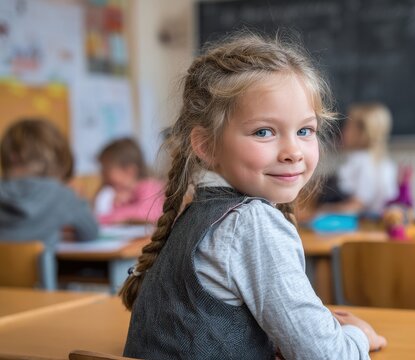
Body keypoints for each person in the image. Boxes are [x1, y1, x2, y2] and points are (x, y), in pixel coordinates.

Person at [120, 33, 386, 359]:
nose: (293, 152)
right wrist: (357, 335)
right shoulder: (250, 223)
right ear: (206, 145)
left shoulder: (198, 211)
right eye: (264, 132)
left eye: (305, 130)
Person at [0, 119, 98, 288]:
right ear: (57, 158)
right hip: (43, 297)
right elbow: (90, 233)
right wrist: (79, 202)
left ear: (10, 157)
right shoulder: (62, 195)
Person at [317, 103, 398, 216]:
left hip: (364, 225)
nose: (343, 131)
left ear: (362, 133)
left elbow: (358, 205)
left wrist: (322, 211)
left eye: (348, 126)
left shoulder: (362, 161)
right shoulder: (383, 161)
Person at [95, 137, 164, 224]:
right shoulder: (116, 193)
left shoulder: (149, 186)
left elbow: (150, 214)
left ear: (129, 170)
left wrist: (106, 218)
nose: (103, 174)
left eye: (107, 169)